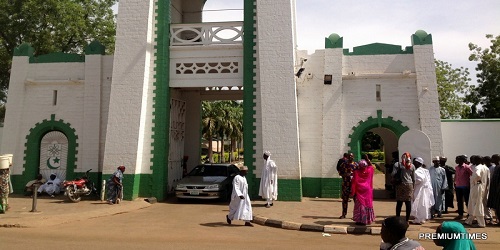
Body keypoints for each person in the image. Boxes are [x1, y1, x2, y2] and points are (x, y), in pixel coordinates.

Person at [464, 155, 490, 228]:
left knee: (477, 204)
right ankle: (469, 221)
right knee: (473, 203)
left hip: (476, 186)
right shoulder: (485, 168)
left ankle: (481, 223)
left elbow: (477, 176)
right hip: (482, 187)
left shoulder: (477, 168)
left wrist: (474, 181)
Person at [351, 156, 375, 225]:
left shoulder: (356, 172)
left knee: (360, 205)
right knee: (367, 204)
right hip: (368, 191)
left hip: (359, 191)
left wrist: (353, 192)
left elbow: (354, 182)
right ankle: (367, 219)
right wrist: (368, 159)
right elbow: (371, 166)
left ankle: (360, 220)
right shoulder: (369, 171)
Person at [392, 152, 415, 222]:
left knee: (399, 202)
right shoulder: (412, 166)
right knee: (408, 202)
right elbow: (413, 178)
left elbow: (393, 174)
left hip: (400, 184)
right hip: (409, 185)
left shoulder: (397, 164)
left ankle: (398, 218)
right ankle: (407, 219)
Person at [411, 157, 434, 224]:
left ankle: (418, 219)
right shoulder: (425, 170)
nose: (413, 163)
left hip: (419, 189)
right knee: (424, 203)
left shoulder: (418, 171)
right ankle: (423, 218)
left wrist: (413, 181)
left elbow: (420, 179)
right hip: (425, 190)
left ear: (418, 163)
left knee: (419, 204)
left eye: (415, 162)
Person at [338, 152, 358, 219]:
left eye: (351, 156)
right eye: (349, 156)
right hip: (346, 184)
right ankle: (344, 214)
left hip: (354, 185)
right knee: (345, 200)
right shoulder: (344, 164)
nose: (350, 157)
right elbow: (340, 173)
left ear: (353, 157)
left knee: (356, 200)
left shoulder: (356, 165)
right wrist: (345, 175)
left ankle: (355, 215)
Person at [454, 155, 472, 220]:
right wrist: (455, 182)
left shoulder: (467, 167)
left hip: (465, 186)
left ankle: (469, 214)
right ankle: (460, 214)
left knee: (467, 201)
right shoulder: (456, 167)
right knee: (459, 201)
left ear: (461, 160)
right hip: (458, 186)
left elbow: (472, 175)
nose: (456, 161)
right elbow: (456, 175)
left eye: (457, 159)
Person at [487, 154, 500, 225]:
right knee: (496, 207)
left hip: (498, 191)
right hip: (494, 190)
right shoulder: (496, 167)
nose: (491, 159)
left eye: (493, 158)